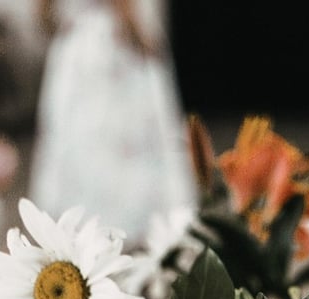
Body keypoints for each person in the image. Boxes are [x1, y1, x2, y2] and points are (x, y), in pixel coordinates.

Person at [28, 0, 195, 250]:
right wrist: (136, 31)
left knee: (76, 140)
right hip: (111, 43)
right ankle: (126, 228)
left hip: (75, 45)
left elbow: (42, 13)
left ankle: (78, 230)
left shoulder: (72, 34)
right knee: (118, 141)